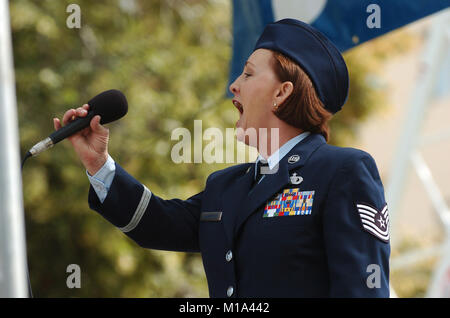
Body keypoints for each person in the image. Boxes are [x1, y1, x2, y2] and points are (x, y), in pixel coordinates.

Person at [54, 19, 390, 298]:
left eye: (247, 74)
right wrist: (99, 163)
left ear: (282, 92)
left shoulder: (342, 171)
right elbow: (156, 225)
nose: (234, 86)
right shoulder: (226, 186)